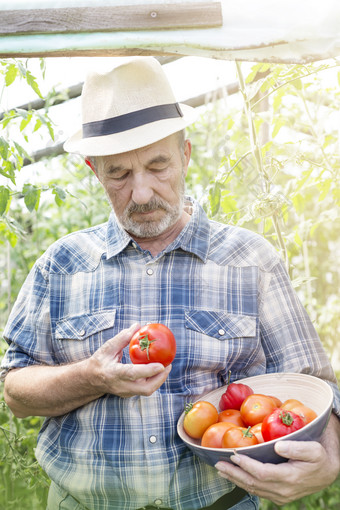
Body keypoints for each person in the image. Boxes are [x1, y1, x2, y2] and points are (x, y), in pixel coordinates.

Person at [1, 57, 340, 510]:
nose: (141, 194)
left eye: (158, 165)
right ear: (93, 171)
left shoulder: (250, 260)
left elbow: (316, 384)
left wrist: (330, 461)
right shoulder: (60, 265)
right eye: (119, 173)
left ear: (185, 155)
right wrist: (91, 377)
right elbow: (15, 391)